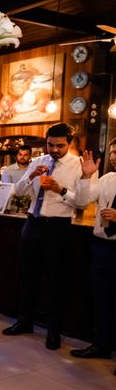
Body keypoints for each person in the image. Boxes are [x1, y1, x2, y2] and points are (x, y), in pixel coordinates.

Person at [2, 123, 85, 350]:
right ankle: (24, 321)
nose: (54, 150)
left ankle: (53, 331)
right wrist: (31, 176)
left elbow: (82, 201)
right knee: (27, 275)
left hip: (58, 225)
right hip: (33, 222)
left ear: (70, 144)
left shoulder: (78, 166)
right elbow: (18, 191)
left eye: (60, 146)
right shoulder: (38, 161)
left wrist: (61, 190)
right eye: (50, 144)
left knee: (55, 280)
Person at [69, 139, 116, 362]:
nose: (114, 157)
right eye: (114, 152)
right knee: (100, 299)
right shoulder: (107, 179)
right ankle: (101, 345)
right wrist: (87, 177)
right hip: (102, 248)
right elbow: (81, 201)